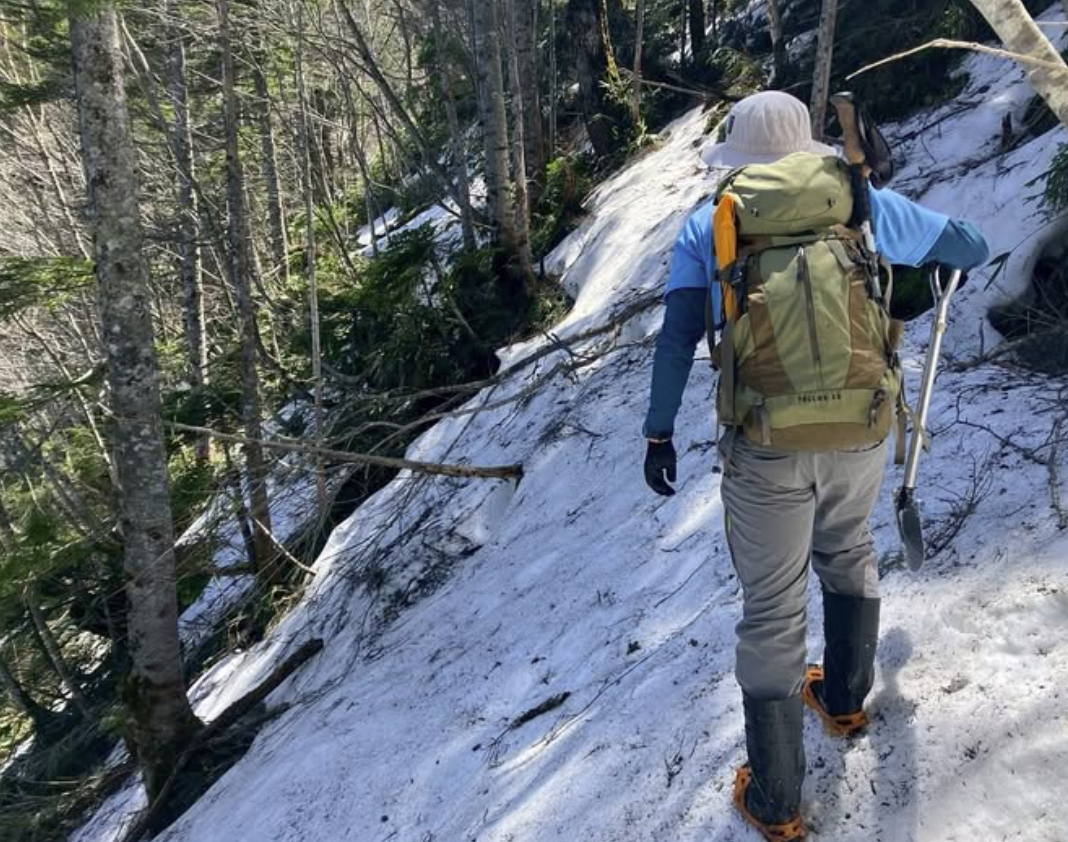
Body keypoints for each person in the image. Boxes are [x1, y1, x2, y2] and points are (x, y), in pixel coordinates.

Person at [642, 91, 989, 842]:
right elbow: (969, 245)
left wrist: (657, 433)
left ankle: (777, 801)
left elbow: (675, 340)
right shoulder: (859, 202)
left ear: (737, 158)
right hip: (862, 428)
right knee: (849, 550)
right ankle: (843, 698)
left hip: (766, 446)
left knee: (771, 612)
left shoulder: (711, 222)